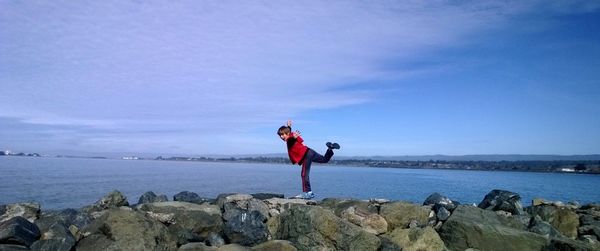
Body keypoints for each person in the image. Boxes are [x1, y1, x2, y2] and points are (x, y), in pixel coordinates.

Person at [277, 120, 340, 199]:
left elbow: (290, 139)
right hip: (309, 151)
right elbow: (289, 133)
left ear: (287, 134)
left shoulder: (290, 139)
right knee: (324, 159)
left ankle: (309, 193)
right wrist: (289, 126)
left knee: (304, 174)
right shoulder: (290, 135)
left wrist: (293, 137)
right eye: (280, 135)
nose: (281, 137)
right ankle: (330, 149)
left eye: (282, 135)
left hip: (306, 155)